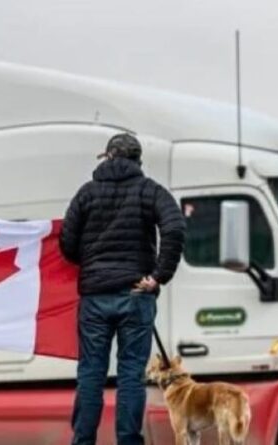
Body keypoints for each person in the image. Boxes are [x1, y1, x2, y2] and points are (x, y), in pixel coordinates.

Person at [59, 133, 186, 445]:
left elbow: (67, 243)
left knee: (91, 373)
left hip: (94, 299)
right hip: (135, 295)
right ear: (137, 161)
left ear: (108, 157)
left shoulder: (85, 194)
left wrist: (92, 265)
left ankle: (83, 440)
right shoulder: (150, 191)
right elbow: (175, 226)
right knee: (130, 375)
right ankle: (129, 441)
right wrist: (159, 276)